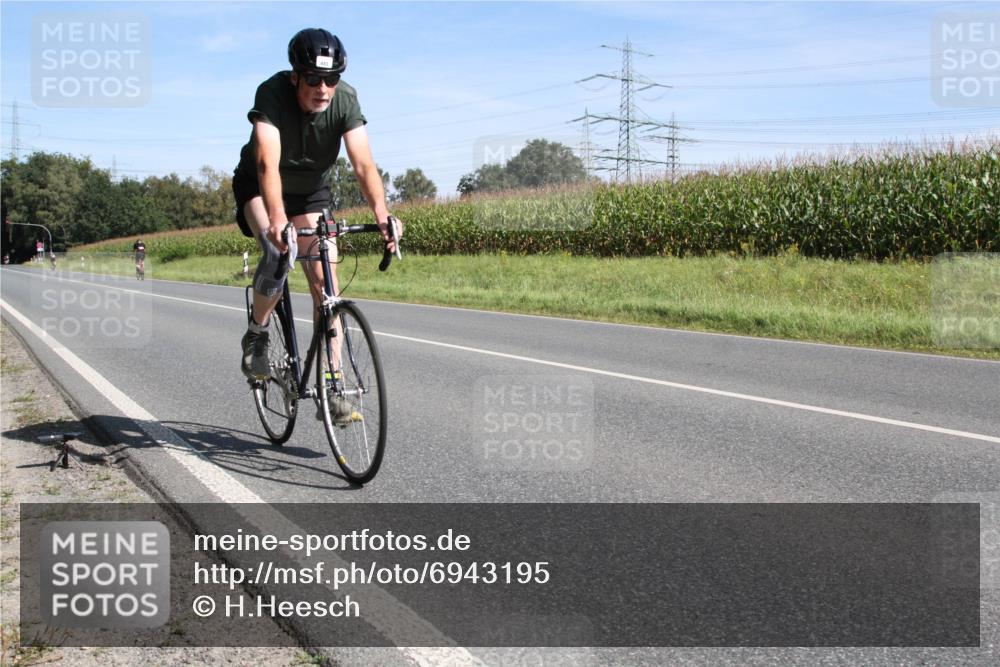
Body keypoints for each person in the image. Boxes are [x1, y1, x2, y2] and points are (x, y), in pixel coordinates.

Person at [232, 28, 401, 423]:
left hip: (310, 193)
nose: (323, 89)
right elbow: (266, 163)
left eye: (331, 79)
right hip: (260, 186)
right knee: (278, 252)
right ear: (295, 77)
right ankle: (257, 334)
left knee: (327, 283)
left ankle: (334, 385)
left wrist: (382, 212)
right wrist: (277, 219)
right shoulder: (272, 94)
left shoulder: (345, 100)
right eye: (313, 79)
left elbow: (363, 164)